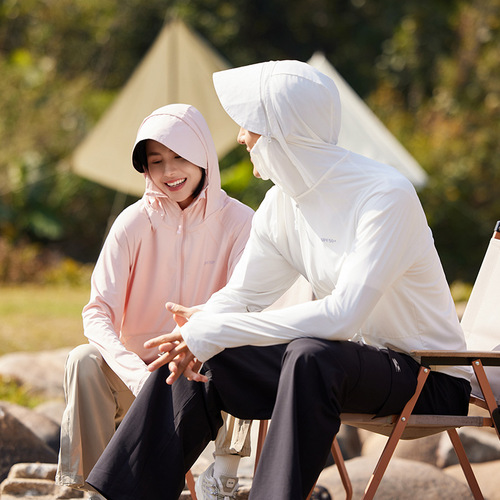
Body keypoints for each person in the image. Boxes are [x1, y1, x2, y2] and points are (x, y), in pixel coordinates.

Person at [86, 60, 472, 500]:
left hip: (426, 378)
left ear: (281, 132)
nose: (239, 138)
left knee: (310, 355)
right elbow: (244, 294)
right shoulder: (281, 204)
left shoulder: (385, 196)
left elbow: (342, 317)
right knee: (202, 357)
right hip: (350, 365)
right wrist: (197, 329)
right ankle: (121, 494)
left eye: (249, 127)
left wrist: (215, 329)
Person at [55, 103, 255, 499]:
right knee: (83, 360)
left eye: (180, 156)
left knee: (242, 351)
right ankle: (91, 488)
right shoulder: (132, 223)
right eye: (156, 161)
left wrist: (198, 345)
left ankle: (224, 480)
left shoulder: (241, 222)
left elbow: (247, 306)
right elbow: (97, 312)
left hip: (203, 375)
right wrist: (135, 372)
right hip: (137, 374)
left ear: (203, 156)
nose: (169, 172)